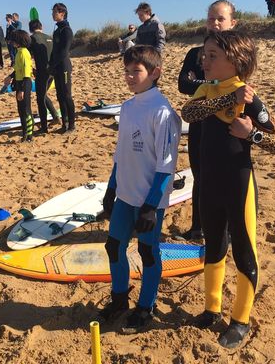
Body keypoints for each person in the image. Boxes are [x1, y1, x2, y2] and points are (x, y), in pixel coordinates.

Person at [181, 30, 275, 349]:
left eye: (212, 55)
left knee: (243, 252)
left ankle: (240, 321)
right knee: (213, 249)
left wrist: (251, 134)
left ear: (236, 61)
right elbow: (190, 113)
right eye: (205, 54)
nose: (204, 60)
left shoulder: (250, 97)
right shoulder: (207, 89)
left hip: (238, 185)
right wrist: (228, 100)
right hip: (209, 185)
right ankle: (211, 310)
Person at [96, 45, 182, 334]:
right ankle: (120, 299)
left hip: (149, 200)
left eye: (137, 71)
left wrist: (152, 205)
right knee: (113, 246)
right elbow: (121, 154)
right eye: (127, 71)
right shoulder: (128, 107)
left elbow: (166, 164)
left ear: (155, 72)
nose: (130, 76)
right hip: (125, 195)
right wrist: (111, 189)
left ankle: (146, 307)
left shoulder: (163, 111)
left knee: (148, 252)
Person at [177, 0, 238, 242]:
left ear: (232, 23)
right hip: (200, 121)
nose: (214, 23)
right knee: (200, 175)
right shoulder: (195, 54)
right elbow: (183, 84)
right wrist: (214, 84)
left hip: (230, 123)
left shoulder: (238, 53)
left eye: (220, 18)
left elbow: (239, 87)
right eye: (211, 18)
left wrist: (201, 83)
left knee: (231, 177)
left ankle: (231, 231)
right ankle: (197, 229)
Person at [29, 19, 60, 133]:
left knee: (40, 99)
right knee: (43, 95)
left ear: (31, 29)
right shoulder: (50, 37)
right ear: (41, 27)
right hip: (53, 71)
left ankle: (44, 127)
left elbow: (28, 55)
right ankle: (55, 116)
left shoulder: (32, 38)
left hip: (42, 72)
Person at [49, 3, 76, 133]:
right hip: (56, 66)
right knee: (59, 96)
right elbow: (54, 50)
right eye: (52, 11)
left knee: (66, 95)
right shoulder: (57, 30)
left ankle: (71, 125)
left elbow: (64, 51)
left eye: (55, 12)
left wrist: (54, 64)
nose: (53, 14)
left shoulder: (66, 30)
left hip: (64, 66)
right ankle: (64, 124)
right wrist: (50, 65)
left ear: (62, 13)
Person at [3, 30, 34, 142]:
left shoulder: (24, 53)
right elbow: (18, 70)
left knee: (26, 110)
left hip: (25, 84)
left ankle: (29, 136)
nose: (11, 42)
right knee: (21, 110)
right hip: (19, 83)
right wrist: (10, 76)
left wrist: (21, 90)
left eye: (13, 40)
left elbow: (26, 73)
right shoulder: (18, 52)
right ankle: (25, 134)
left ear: (19, 41)